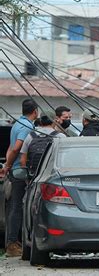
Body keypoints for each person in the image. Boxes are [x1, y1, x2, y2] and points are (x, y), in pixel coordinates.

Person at [1, 99, 38, 257]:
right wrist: (9, 165)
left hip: (14, 170)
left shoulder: (17, 124)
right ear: (35, 111)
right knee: (18, 207)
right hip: (20, 171)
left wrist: (6, 166)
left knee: (15, 207)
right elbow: (17, 147)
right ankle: (12, 243)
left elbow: (10, 147)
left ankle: (14, 242)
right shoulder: (27, 126)